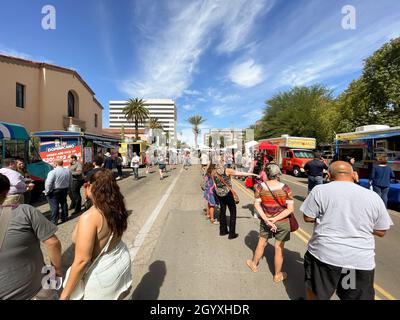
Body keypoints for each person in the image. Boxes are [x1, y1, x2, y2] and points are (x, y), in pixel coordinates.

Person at [301, 161, 393, 300]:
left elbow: (308, 217)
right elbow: (381, 231)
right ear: (354, 175)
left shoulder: (320, 190)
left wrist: (330, 220)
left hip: (324, 258)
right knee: (350, 294)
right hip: (357, 262)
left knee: (318, 293)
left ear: (329, 175)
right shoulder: (373, 197)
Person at [60, 169, 132, 300]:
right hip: (119, 261)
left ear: (88, 185)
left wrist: (64, 295)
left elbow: (82, 260)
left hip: (102, 277)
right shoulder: (117, 206)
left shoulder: (90, 217)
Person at [0, 174, 62, 300]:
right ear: (6, 192)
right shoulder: (24, 211)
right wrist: (56, 272)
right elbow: (52, 243)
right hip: (33, 292)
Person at [246, 164, 294, 282]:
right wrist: (276, 219)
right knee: (279, 248)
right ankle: (277, 275)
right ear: (278, 174)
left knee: (261, 243)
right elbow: (290, 209)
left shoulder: (260, 187)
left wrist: (268, 220)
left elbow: (256, 204)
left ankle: (253, 264)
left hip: (266, 221)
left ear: (266, 174)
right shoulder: (285, 188)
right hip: (282, 221)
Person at [212, 163, 258, 239]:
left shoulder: (213, 172)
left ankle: (223, 231)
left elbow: (215, 185)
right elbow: (241, 173)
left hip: (219, 193)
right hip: (228, 193)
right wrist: (253, 174)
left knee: (222, 210)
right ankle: (232, 234)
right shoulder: (227, 170)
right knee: (233, 212)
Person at [45, 159, 72, 225]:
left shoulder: (52, 172)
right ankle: (65, 217)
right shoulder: (68, 171)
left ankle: (54, 221)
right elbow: (70, 181)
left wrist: (47, 191)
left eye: (53, 163)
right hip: (64, 189)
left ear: (55, 163)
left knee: (54, 206)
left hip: (54, 190)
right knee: (64, 203)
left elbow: (48, 183)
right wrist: (68, 188)